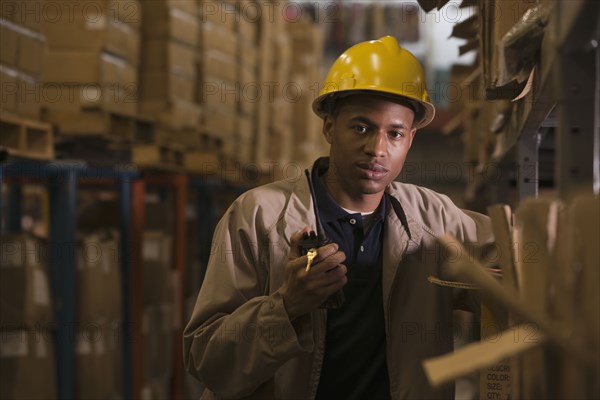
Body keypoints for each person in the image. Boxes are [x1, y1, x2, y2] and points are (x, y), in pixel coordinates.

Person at [184, 36, 493, 399]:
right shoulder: (257, 217)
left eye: (394, 134)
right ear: (329, 128)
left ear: (410, 139)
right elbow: (207, 360)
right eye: (361, 127)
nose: (377, 149)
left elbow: (521, 266)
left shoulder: (435, 219)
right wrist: (286, 306)